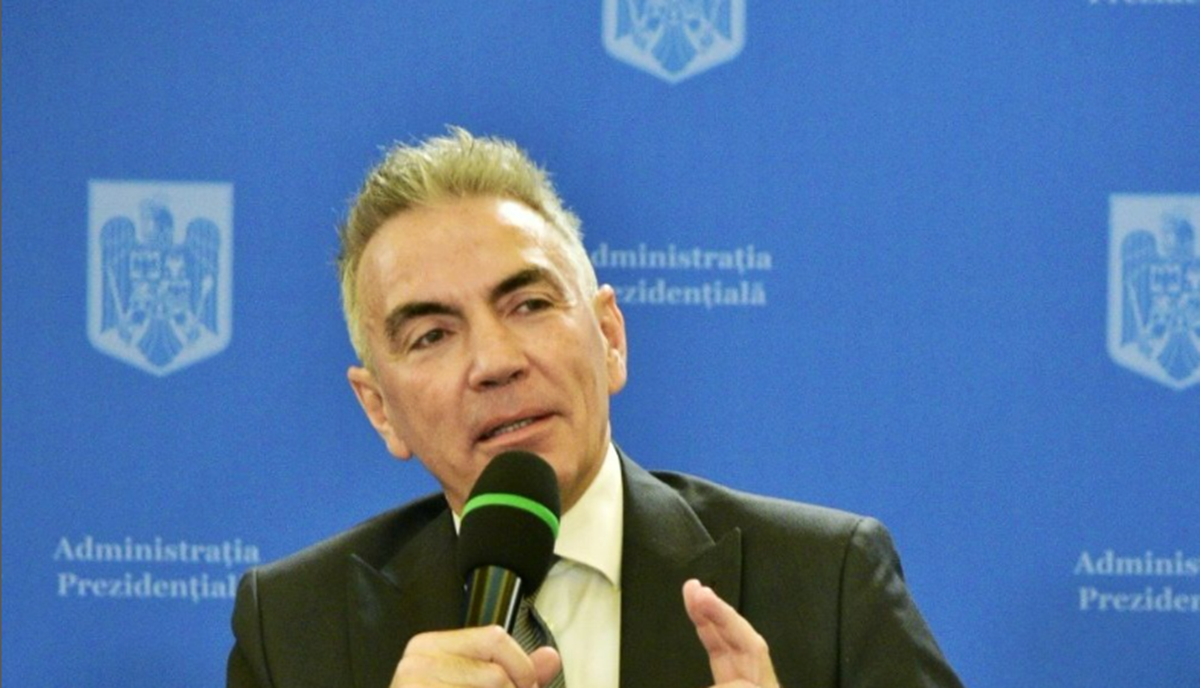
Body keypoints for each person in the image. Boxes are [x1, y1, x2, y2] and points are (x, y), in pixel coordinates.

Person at [227, 128, 964, 688]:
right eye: (432, 336)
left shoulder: (824, 582)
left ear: (609, 337)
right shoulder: (293, 627)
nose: (496, 361)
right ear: (380, 408)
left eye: (528, 304)